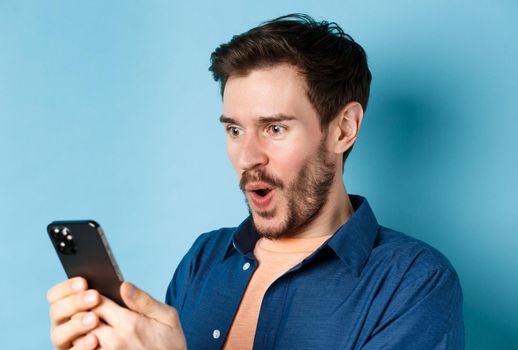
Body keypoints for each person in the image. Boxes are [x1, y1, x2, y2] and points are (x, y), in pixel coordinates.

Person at [47, 14, 464, 350]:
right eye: (233, 130)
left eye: (275, 129)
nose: (247, 158)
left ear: (343, 129)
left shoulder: (413, 283)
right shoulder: (205, 259)